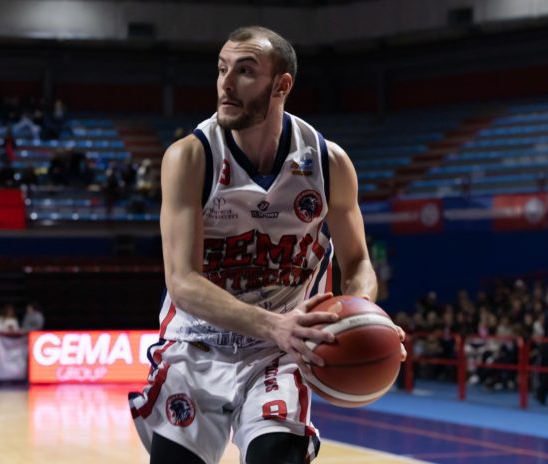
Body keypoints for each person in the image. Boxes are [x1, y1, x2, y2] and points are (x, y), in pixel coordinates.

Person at [128, 26, 406, 464]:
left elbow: (358, 263)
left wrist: (362, 318)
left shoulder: (327, 162)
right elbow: (182, 283)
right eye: (222, 69)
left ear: (282, 85)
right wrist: (273, 324)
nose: (226, 83)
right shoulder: (190, 157)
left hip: (280, 351)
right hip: (197, 346)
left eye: (244, 71)